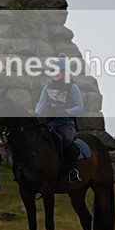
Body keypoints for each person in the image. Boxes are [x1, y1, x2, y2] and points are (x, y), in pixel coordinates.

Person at [34, 54, 84, 183]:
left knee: (67, 141)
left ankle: (73, 170)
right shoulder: (47, 87)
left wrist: (65, 111)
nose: (54, 73)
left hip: (66, 123)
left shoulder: (72, 87)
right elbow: (41, 104)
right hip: (50, 122)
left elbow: (80, 107)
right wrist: (35, 115)